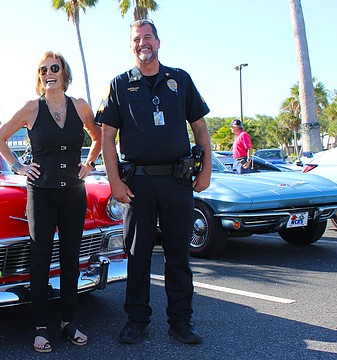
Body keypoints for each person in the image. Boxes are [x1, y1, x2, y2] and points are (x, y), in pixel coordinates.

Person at [96, 19, 212, 345]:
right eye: (137, 39)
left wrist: (206, 171)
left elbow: (200, 128)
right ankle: (136, 320)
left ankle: (181, 322)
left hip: (177, 182)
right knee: (138, 255)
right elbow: (107, 138)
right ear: (131, 45)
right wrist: (115, 182)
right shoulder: (119, 85)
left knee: (178, 255)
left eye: (148, 37)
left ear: (158, 43)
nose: (142, 43)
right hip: (138, 185)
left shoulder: (180, 79)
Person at [0, 51, 101, 353]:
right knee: (39, 260)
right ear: (39, 76)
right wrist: (19, 166)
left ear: (64, 73)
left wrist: (90, 163)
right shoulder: (31, 108)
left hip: (74, 194)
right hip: (40, 194)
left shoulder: (79, 106)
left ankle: (69, 322)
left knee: (70, 261)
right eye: (43, 69)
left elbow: (98, 136)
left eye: (55, 68)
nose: (49, 73)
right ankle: (40, 327)